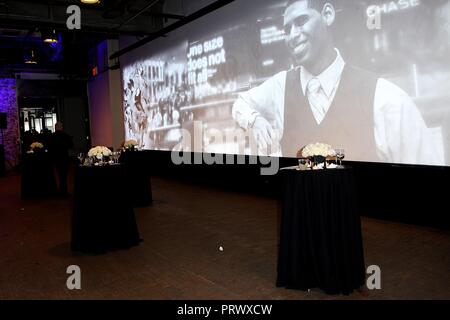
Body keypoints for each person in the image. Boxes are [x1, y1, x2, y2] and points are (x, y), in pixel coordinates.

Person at [232, 0, 444, 165]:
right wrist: (255, 121)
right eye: (287, 29)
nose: (293, 35)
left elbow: (424, 172)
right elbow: (240, 104)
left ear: (327, 14)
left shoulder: (385, 98)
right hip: (301, 213)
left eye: (301, 21)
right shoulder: (281, 86)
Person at [50, 122, 73, 196]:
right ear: (62, 127)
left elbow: (49, 148)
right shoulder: (66, 136)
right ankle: (64, 192)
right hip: (64, 158)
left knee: (59, 175)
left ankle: (60, 191)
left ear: (55, 127)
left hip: (56, 158)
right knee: (64, 175)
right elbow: (71, 146)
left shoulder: (52, 136)